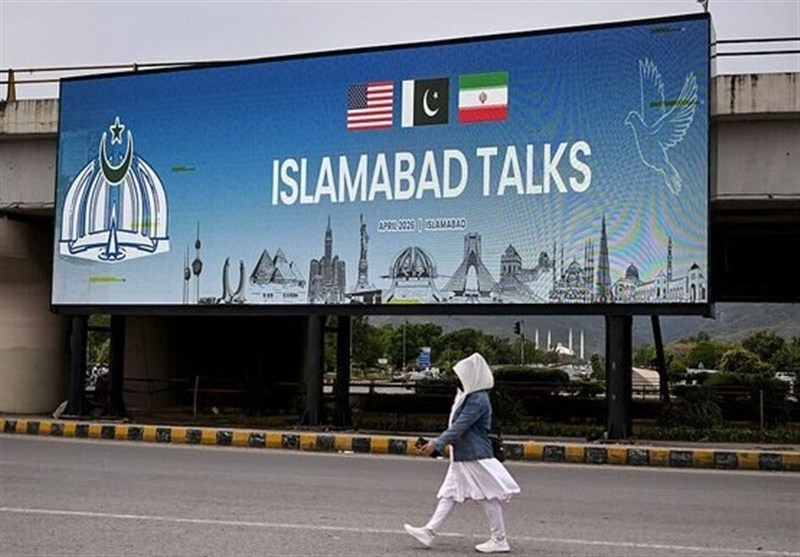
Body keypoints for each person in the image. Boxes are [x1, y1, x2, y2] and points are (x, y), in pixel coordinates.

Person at [404, 352, 521, 554]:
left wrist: (437, 443)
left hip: (473, 454)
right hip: (462, 455)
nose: (457, 379)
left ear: (472, 376)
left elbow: (460, 426)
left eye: (460, 375)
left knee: (487, 497)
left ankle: (499, 539)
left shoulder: (477, 399)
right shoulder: (467, 395)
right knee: (449, 494)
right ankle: (429, 531)